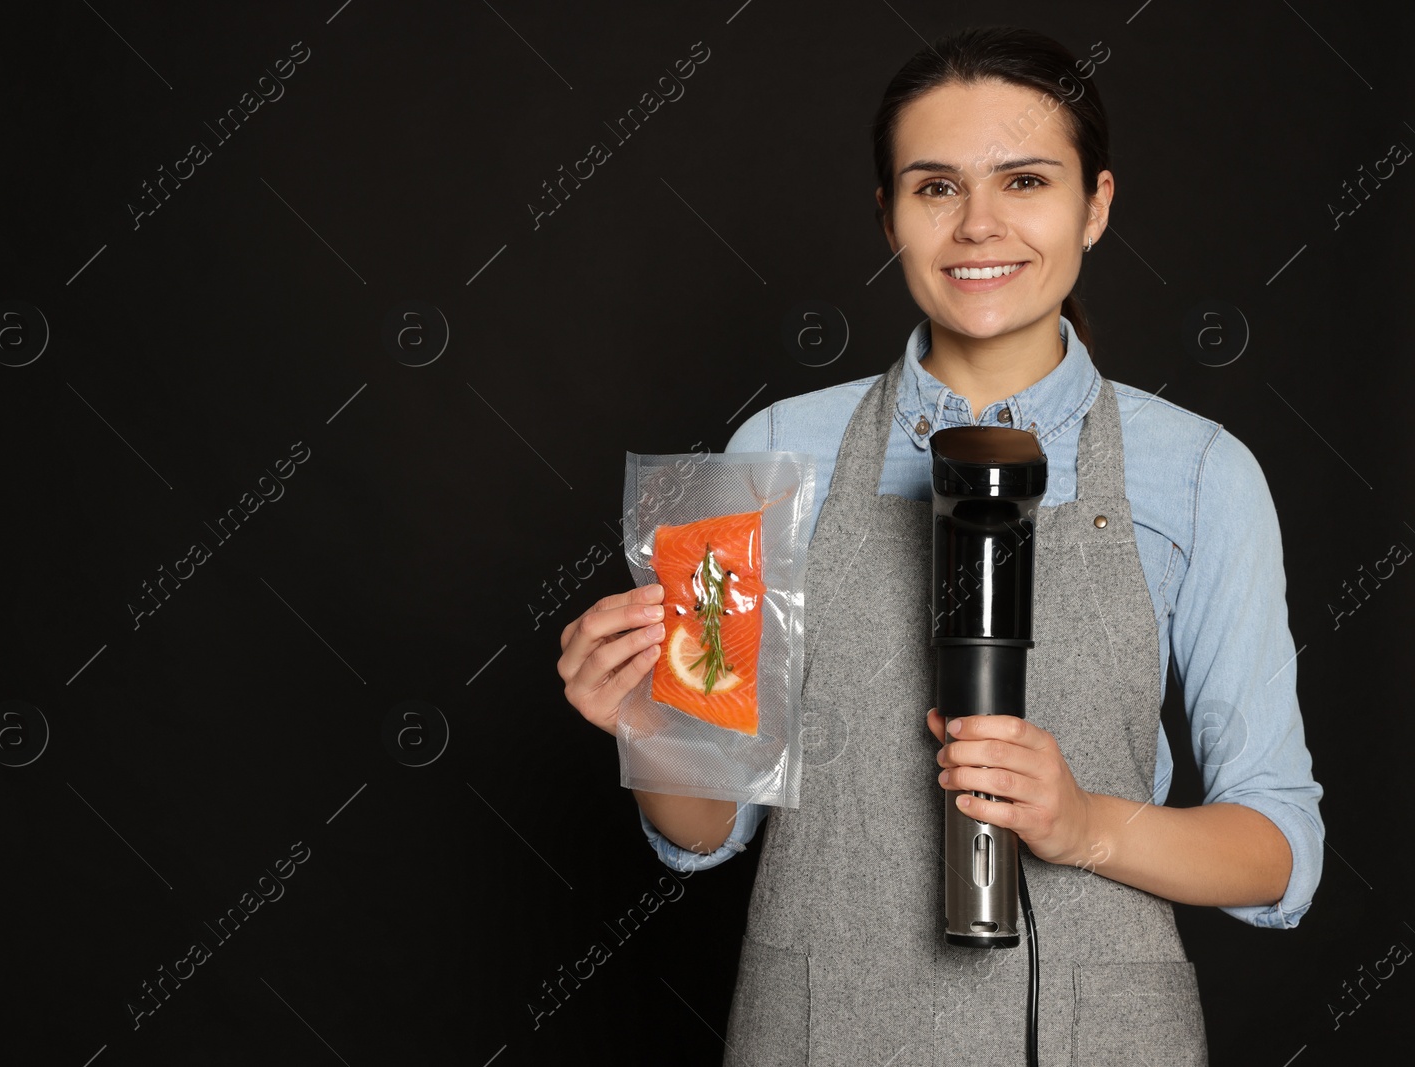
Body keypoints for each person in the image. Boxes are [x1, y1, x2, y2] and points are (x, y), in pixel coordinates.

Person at [557, 25, 1324, 1065]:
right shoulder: (771, 452)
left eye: (1023, 180)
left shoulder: (1198, 473)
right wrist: (649, 722)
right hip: (824, 1033)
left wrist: (1085, 823)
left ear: (1093, 204)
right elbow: (704, 826)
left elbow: (1277, 848)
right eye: (933, 188)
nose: (978, 226)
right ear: (887, 216)